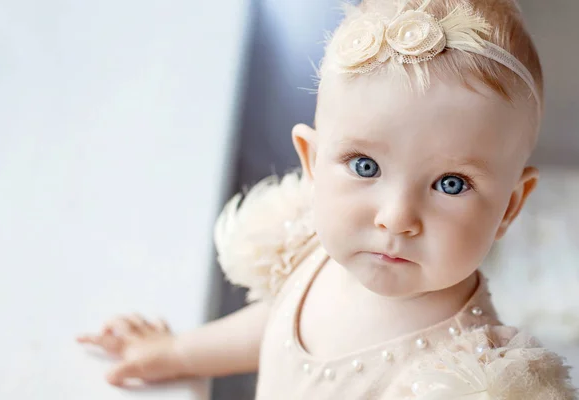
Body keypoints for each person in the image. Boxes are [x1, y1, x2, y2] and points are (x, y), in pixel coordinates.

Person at [78, 0, 577, 398]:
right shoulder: (322, 256)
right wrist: (180, 354)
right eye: (366, 167)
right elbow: (281, 326)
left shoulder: (458, 377)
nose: (397, 218)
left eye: (450, 184)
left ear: (510, 207)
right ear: (312, 163)